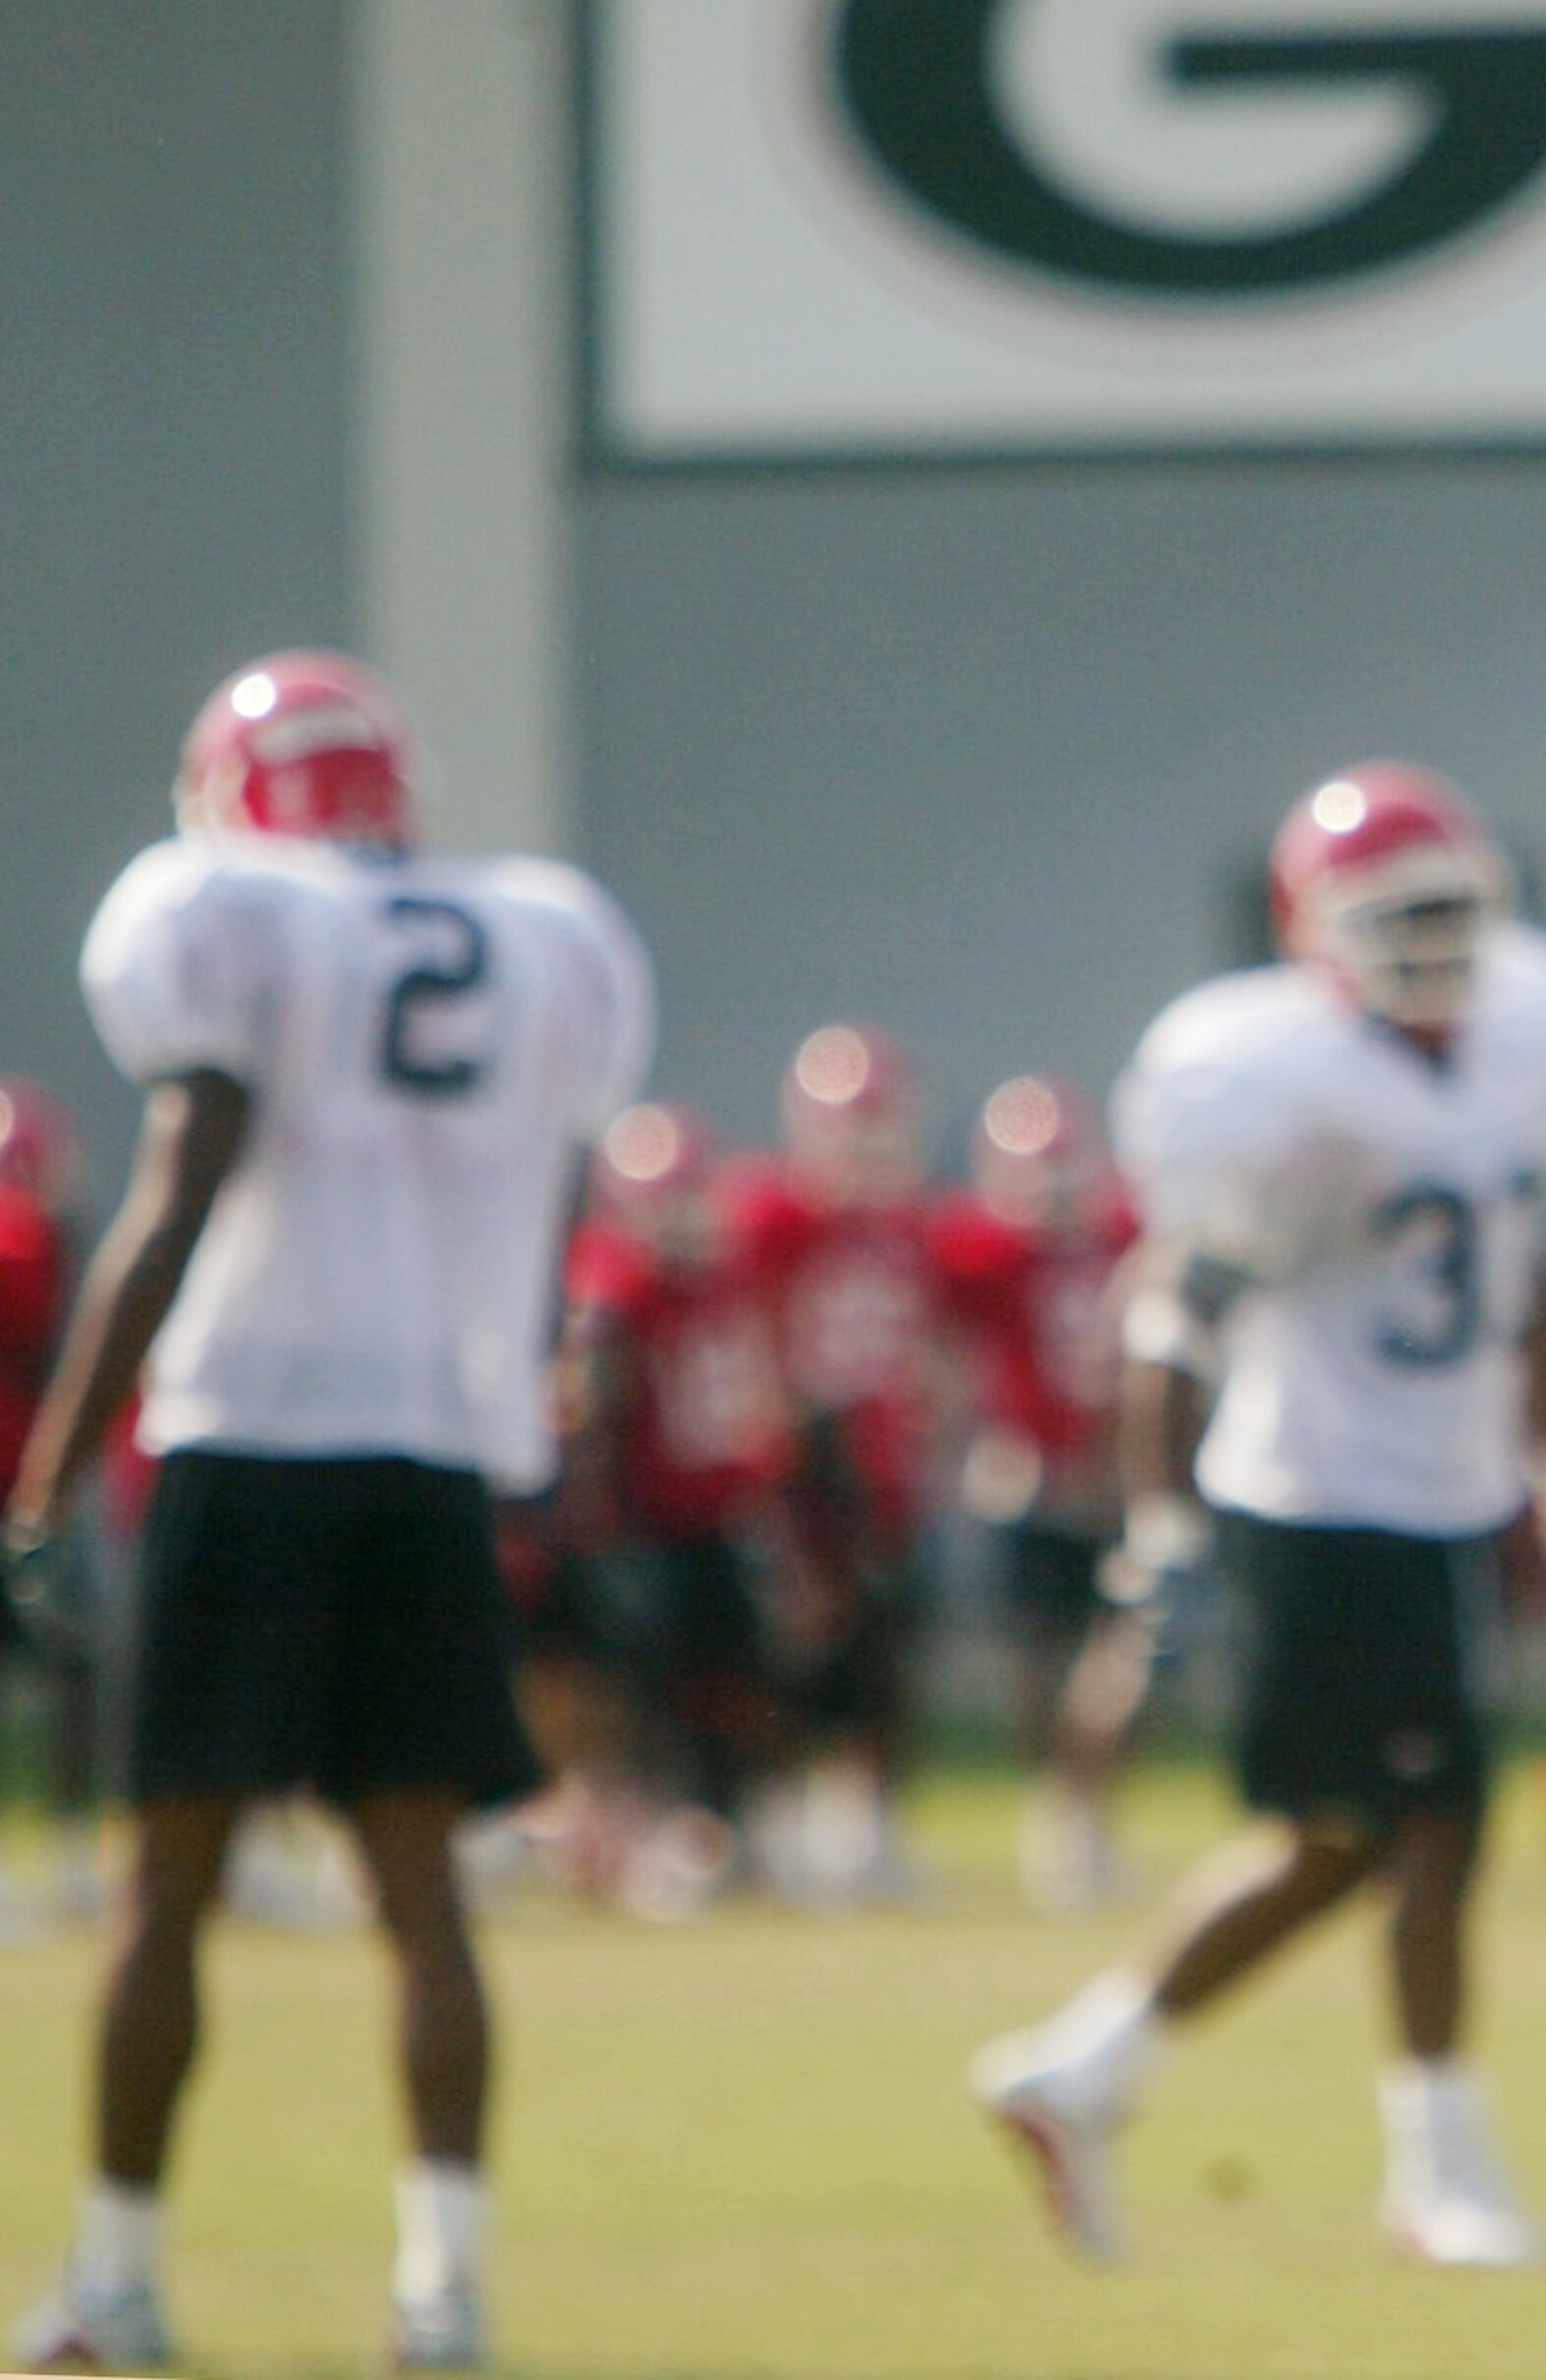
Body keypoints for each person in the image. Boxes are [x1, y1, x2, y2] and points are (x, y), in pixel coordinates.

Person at [4, 651, 653, 2373]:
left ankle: (117, 2282)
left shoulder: (228, 918)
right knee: (422, 1890)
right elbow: (555, 1200)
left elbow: (179, 1182)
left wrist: (47, 1479)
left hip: (257, 1432)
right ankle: (444, 2292)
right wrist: (507, 1410)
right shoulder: (542, 934)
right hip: (426, 1448)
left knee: (169, 1890)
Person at [972, 761, 1546, 2271]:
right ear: (1310, 928)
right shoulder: (1273, 1079)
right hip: (1317, 1503)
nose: (1437, 943)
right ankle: (1430, 2164)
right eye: (1401, 914)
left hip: (1443, 1502)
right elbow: (1171, 1315)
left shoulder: (1516, 1048)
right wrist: (1162, 1532)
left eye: (1454, 909)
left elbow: (1533, 1266)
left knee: (1379, 1839)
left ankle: (1087, 2072)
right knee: (1392, 1836)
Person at [716, 1023, 946, 1903]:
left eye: (882, 1123)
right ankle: (772, 1826)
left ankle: (864, 1828)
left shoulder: (906, 1225)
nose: (867, 1145)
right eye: (853, 1123)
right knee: (789, 1657)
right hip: (793, 1474)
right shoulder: (769, 1214)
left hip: (883, 1473)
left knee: (886, 1657)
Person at [559, 1101, 798, 1917]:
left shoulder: (726, 1276)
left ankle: (718, 1829)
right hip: (642, 1519)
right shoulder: (616, 1284)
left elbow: (756, 1395)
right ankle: (637, 1837)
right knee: (645, 1685)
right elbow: (592, 1402)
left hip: (719, 1515)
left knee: (732, 1680)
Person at [928, 1074, 1144, 1913]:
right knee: (1040, 1662)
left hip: (1116, 1482)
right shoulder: (980, 1250)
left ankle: (1086, 1811)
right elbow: (941, 1349)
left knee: (1127, 1656)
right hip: (1028, 1480)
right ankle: (1058, 1811)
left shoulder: (1127, 1230)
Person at [0, 1077, 103, 1941]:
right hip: (22, 1486)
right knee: (69, 1669)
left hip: (24, 1482)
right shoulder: (27, 1233)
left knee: (69, 1668)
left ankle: (68, 1857)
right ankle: (68, 1856)